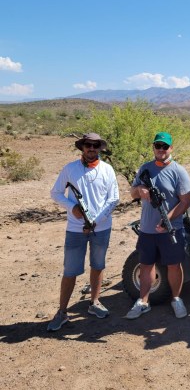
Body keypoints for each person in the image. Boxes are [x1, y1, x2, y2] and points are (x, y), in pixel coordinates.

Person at [48, 132, 120, 332]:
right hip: (75, 229)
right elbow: (55, 193)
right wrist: (73, 208)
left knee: (98, 265)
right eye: (88, 145)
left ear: (100, 148)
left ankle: (94, 302)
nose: (91, 148)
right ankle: (62, 312)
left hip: (101, 228)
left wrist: (96, 221)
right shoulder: (70, 169)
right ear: (82, 147)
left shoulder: (107, 170)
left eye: (96, 145)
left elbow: (113, 198)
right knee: (70, 271)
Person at [125, 132, 190, 320]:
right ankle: (143, 301)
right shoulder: (145, 168)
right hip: (147, 228)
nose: (161, 150)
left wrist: (167, 219)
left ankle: (176, 299)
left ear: (171, 148)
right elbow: (133, 193)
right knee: (146, 265)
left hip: (172, 228)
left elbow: (185, 201)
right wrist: (140, 190)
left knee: (173, 265)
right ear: (153, 147)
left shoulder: (179, 171)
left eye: (165, 146)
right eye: (158, 146)